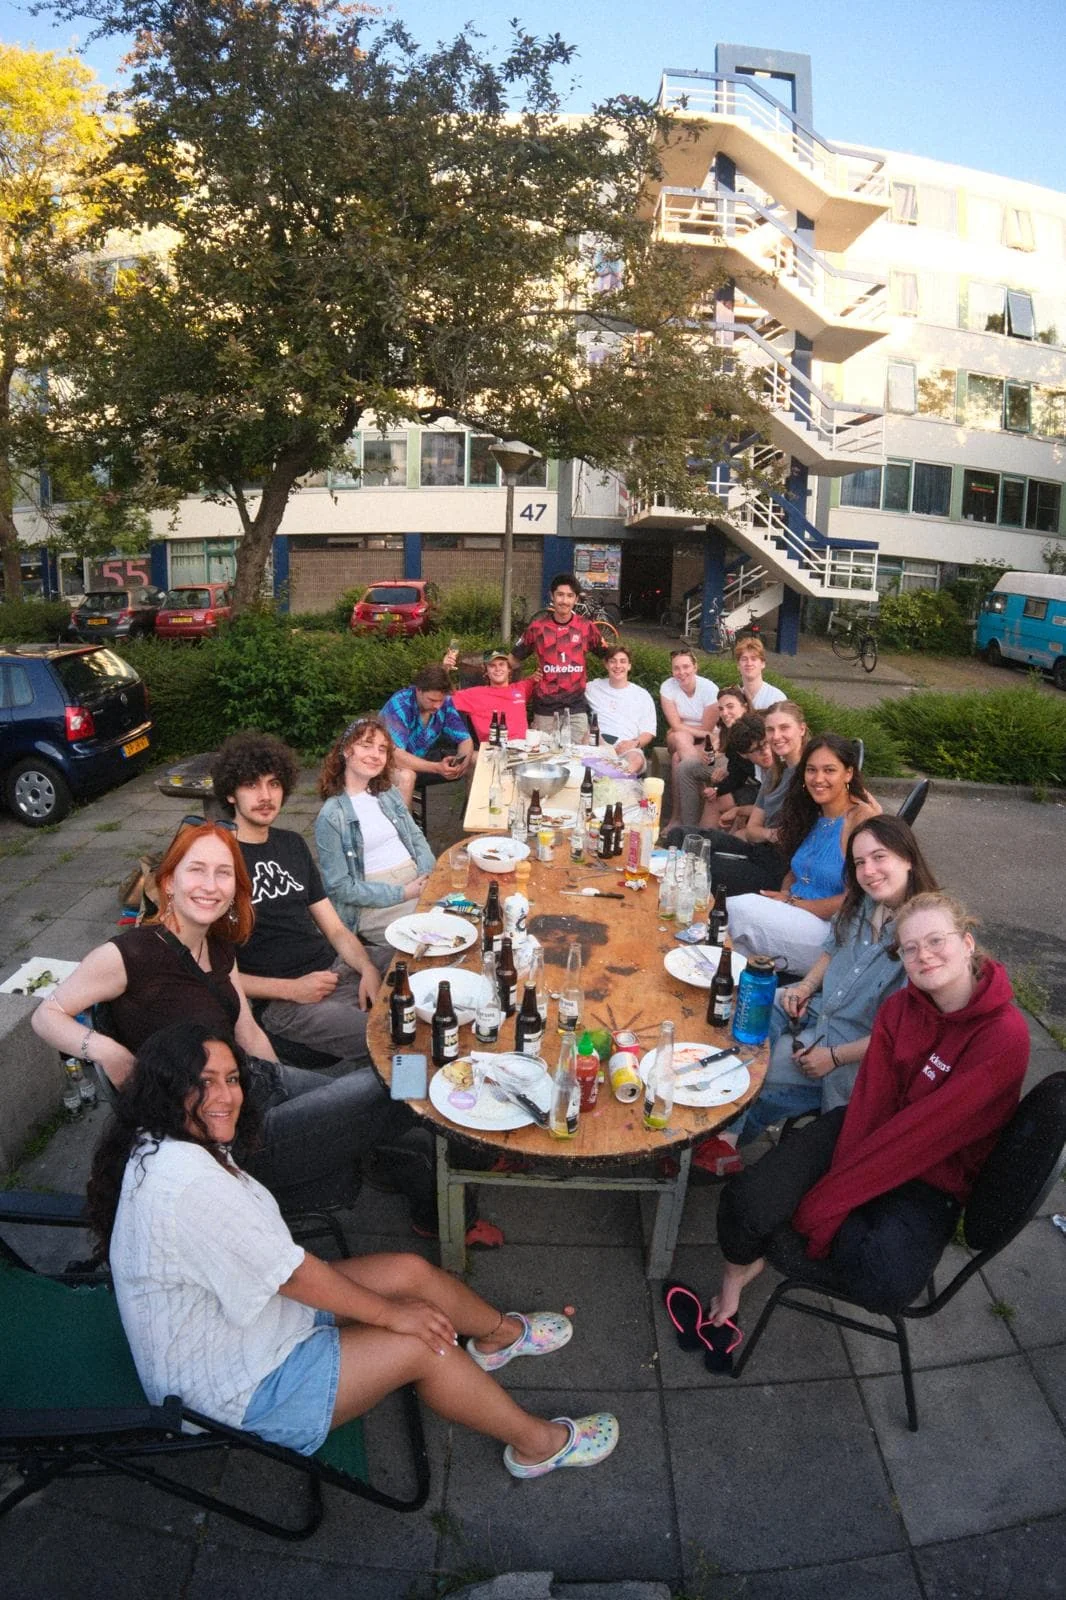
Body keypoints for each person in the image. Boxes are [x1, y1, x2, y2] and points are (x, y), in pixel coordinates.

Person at [88, 1023, 619, 1477]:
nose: (226, 1096)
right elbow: (292, 1276)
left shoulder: (168, 1141)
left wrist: (393, 1309)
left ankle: (498, 1336)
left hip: (250, 1316)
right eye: (203, 1084)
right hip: (233, 1389)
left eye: (231, 1079)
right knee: (425, 1342)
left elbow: (279, 1270)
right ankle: (537, 1445)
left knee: (410, 1270)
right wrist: (392, 1317)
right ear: (165, 1088)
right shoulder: (188, 1181)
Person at [30, 822, 401, 1207]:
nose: (211, 885)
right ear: (169, 882)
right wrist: (108, 1051)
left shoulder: (219, 947)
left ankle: (381, 1154)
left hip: (253, 1085)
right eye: (196, 870)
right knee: (394, 1081)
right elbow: (47, 1015)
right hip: (224, 1131)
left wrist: (279, 1087)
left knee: (379, 1085)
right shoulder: (132, 953)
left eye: (223, 873)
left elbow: (248, 1031)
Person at [706, 892, 1030, 1327]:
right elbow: (870, 1101)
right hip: (867, 1130)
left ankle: (782, 1237)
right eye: (910, 949)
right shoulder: (900, 1008)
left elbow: (922, 1138)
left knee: (883, 1282)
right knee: (745, 1204)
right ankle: (736, 1274)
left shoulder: (1004, 1036)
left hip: (933, 1172)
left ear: (967, 943)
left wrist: (822, 1204)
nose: (924, 956)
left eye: (936, 941)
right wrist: (837, 1179)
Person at [695, 817, 939, 1176]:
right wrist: (806, 986)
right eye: (859, 863)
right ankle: (722, 1141)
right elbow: (832, 947)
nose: (869, 871)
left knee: (755, 1071)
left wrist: (835, 1057)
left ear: (908, 858)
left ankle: (721, 1144)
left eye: (879, 857)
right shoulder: (866, 902)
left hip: (850, 1052)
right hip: (820, 1009)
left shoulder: (925, 935)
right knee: (742, 1011)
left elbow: (906, 1034)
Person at [209, 732, 382, 1066]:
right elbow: (212, 973)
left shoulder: (291, 844)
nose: (265, 796)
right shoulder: (218, 861)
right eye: (251, 785)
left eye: (273, 784)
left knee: (424, 966)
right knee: (392, 1033)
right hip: (284, 1000)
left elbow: (334, 928)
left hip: (334, 968)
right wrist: (293, 990)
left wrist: (367, 968)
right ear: (230, 793)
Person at [727, 733, 879, 976]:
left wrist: (794, 903)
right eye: (811, 770)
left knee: (737, 909)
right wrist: (787, 894)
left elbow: (855, 900)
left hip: (830, 934)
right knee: (739, 951)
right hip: (798, 917)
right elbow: (795, 869)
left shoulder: (860, 819)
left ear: (848, 773)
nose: (818, 779)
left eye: (829, 770)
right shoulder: (814, 813)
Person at [314, 715, 436, 955]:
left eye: (382, 749)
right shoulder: (331, 816)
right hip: (377, 900)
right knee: (434, 939)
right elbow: (340, 887)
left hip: (417, 880)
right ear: (347, 750)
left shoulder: (386, 793)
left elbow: (416, 838)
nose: (375, 754)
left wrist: (428, 874)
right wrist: (403, 892)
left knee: (467, 914)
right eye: (366, 745)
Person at [664, 700, 810, 893]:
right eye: (771, 730)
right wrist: (772, 834)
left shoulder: (811, 774)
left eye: (784, 728)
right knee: (680, 836)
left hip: (778, 867)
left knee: (696, 866)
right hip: (759, 849)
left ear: (801, 729)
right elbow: (753, 830)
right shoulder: (776, 773)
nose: (776, 736)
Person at [509, 572, 609, 743]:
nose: (564, 600)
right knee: (545, 756)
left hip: (576, 706)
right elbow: (512, 659)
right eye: (560, 595)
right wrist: (527, 680)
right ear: (552, 596)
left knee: (579, 756)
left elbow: (607, 656)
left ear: (576, 599)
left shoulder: (586, 627)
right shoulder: (537, 628)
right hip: (546, 707)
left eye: (570, 596)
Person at [380, 665, 474, 809]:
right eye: (432, 700)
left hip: (422, 759)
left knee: (477, 759)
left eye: (440, 700)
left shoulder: (445, 702)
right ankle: (406, 830)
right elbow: (394, 755)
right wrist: (436, 767)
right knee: (407, 777)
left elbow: (465, 739)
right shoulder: (400, 705)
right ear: (418, 690)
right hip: (386, 766)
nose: (437, 706)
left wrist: (461, 762)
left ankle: (474, 818)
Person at [672, 688, 757, 831]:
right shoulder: (729, 732)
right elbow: (735, 769)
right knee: (685, 767)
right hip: (739, 780)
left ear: (745, 706)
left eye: (730, 707)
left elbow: (751, 774)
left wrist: (723, 777)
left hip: (756, 788)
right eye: (721, 709)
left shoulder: (755, 731)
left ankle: (693, 834)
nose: (724, 713)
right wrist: (717, 788)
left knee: (715, 798)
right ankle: (689, 831)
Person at [658, 649, 719, 830]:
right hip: (680, 738)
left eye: (686, 666)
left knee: (678, 759)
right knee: (681, 736)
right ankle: (698, 783)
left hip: (704, 744)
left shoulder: (709, 689)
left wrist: (703, 734)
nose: (681, 672)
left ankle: (677, 818)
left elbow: (708, 727)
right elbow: (675, 725)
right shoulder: (667, 687)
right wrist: (701, 733)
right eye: (676, 668)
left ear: (695, 667)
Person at [584, 643, 658, 774]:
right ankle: (606, 775)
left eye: (623, 661)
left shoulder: (642, 695)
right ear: (606, 665)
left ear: (629, 666)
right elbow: (568, 687)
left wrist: (633, 743)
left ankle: (615, 778)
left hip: (627, 748)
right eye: (613, 661)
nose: (618, 666)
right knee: (587, 736)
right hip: (599, 745)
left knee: (636, 759)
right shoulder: (592, 688)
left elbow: (648, 732)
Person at [441, 645, 535, 743]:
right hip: (493, 751)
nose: (497, 669)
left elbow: (545, 674)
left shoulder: (522, 688)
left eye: (501, 664)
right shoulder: (474, 694)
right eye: (492, 665)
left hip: (524, 750)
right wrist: (445, 669)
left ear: (509, 669)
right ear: (486, 671)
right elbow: (440, 696)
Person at [734, 636, 787, 712]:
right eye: (744, 659)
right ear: (738, 665)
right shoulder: (734, 700)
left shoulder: (777, 697)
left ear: (763, 664)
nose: (749, 663)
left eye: (754, 659)